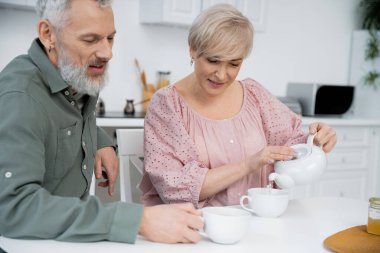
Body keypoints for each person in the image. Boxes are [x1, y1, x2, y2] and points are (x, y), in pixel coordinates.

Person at [0, 0, 203, 244]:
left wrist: (99, 140)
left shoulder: (72, 74)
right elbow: (13, 209)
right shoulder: (20, 97)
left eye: (110, 38)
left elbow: (61, 118)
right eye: (90, 40)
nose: (108, 53)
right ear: (48, 34)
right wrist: (139, 220)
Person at [140, 4, 337, 207]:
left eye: (234, 64)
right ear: (192, 49)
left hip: (256, 222)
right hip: (191, 229)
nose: (222, 74)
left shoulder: (254, 94)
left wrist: (315, 140)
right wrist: (249, 164)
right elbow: (175, 189)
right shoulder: (167, 106)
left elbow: (291, 145)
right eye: (213, 60)